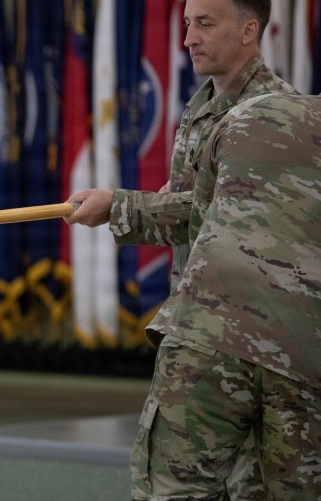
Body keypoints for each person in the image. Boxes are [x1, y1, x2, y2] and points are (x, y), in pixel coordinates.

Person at [65, 0, 295, 499]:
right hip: (206, 325)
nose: (187, 38)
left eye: (204, 24)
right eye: (187, 23)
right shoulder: (202, 106)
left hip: (251, 339)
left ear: (248, 30)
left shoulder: (271, 116)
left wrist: (118, 205)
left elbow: (219, 215)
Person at [130, 91, 321, 498]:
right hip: (303, 353)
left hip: (205, 331)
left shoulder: (252, 109)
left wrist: (120, 207)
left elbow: (200, 220)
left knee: (176, 490)